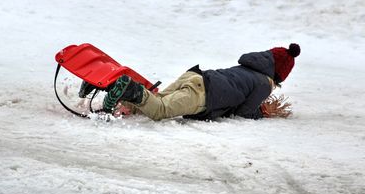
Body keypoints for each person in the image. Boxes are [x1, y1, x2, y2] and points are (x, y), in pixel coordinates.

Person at [101, 43, 300, 121]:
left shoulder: (247, 69)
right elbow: (244, 112)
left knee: (155, 100)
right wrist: (261, 113)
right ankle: (130, 88)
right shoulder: (264, 83)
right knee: (159, 110)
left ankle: (116, 91)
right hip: (202, 93)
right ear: (280, 74)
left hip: (195, 77)